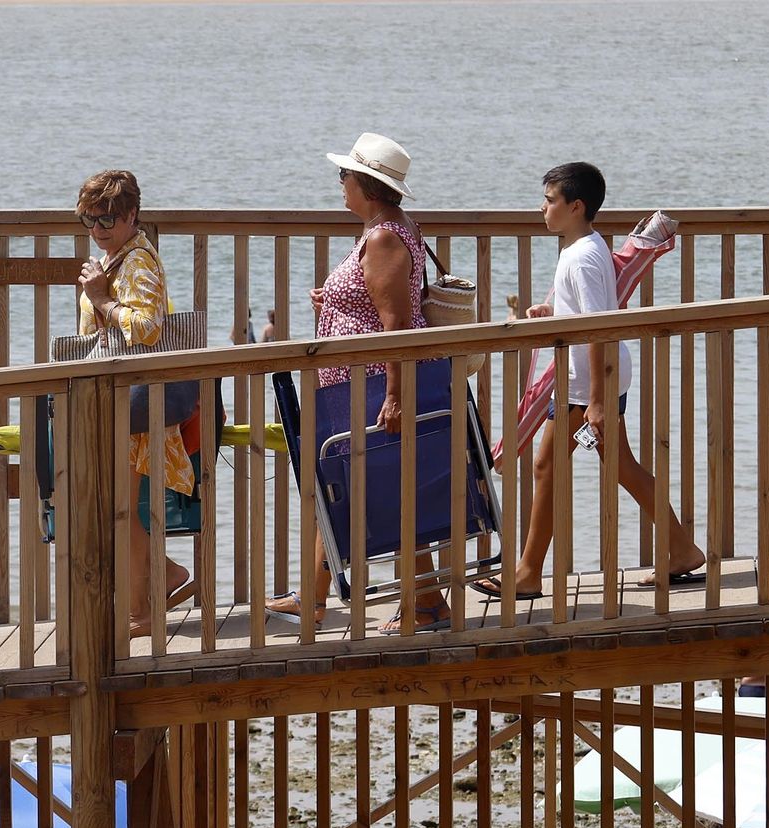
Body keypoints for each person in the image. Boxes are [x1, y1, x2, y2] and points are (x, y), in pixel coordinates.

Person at [474, 163, 704, 601]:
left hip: (588, 382)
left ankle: (527, 573)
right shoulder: (582, 247)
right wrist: (552, 315)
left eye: (549, 200)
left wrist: (597, 402)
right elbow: (585, 316)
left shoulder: (582, 257)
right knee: (611, 467)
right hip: (589, 378)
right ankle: (681, 549)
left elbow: (601, 327)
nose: (542, 208)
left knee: (564, 466)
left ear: (575, 206)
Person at [261, 133, 450, 634]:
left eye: (343, 176)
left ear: (364, 183)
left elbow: (395, 324)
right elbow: (374, 304)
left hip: (369, 386)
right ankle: (320, 595)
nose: (339, 184)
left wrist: (393, 395)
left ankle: (425, 603)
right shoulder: (383, 228)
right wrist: (334, 305)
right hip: (354, 385)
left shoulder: (386, 236)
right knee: (346, 483)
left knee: (370, 487)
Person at [75, 169, 195, 638]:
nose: (98, 228)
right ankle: (162, 580)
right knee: (113, 508)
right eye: (89, 218)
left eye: (107, 218)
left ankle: (142, 611)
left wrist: (101, 299)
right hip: (116, 397)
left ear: (131, 216)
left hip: (135, 402)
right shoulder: (112, 258)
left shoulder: (138, 263)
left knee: (118, 510)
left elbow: (147, 328)